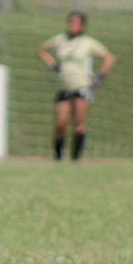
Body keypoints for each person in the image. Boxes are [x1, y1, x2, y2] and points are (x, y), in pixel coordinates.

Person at [38, 11, 115, 161]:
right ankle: (58, 157)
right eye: (71, 22)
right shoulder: (60, 39)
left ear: (82, 25)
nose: (73, 25)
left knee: (79, 124)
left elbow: (109, 57)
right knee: (60, 124)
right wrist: (53, 64)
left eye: (76, 22)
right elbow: (42, 50)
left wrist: (100, 76)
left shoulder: (88, 42)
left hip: (82, 86)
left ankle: (75, 159)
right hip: (64, 87)